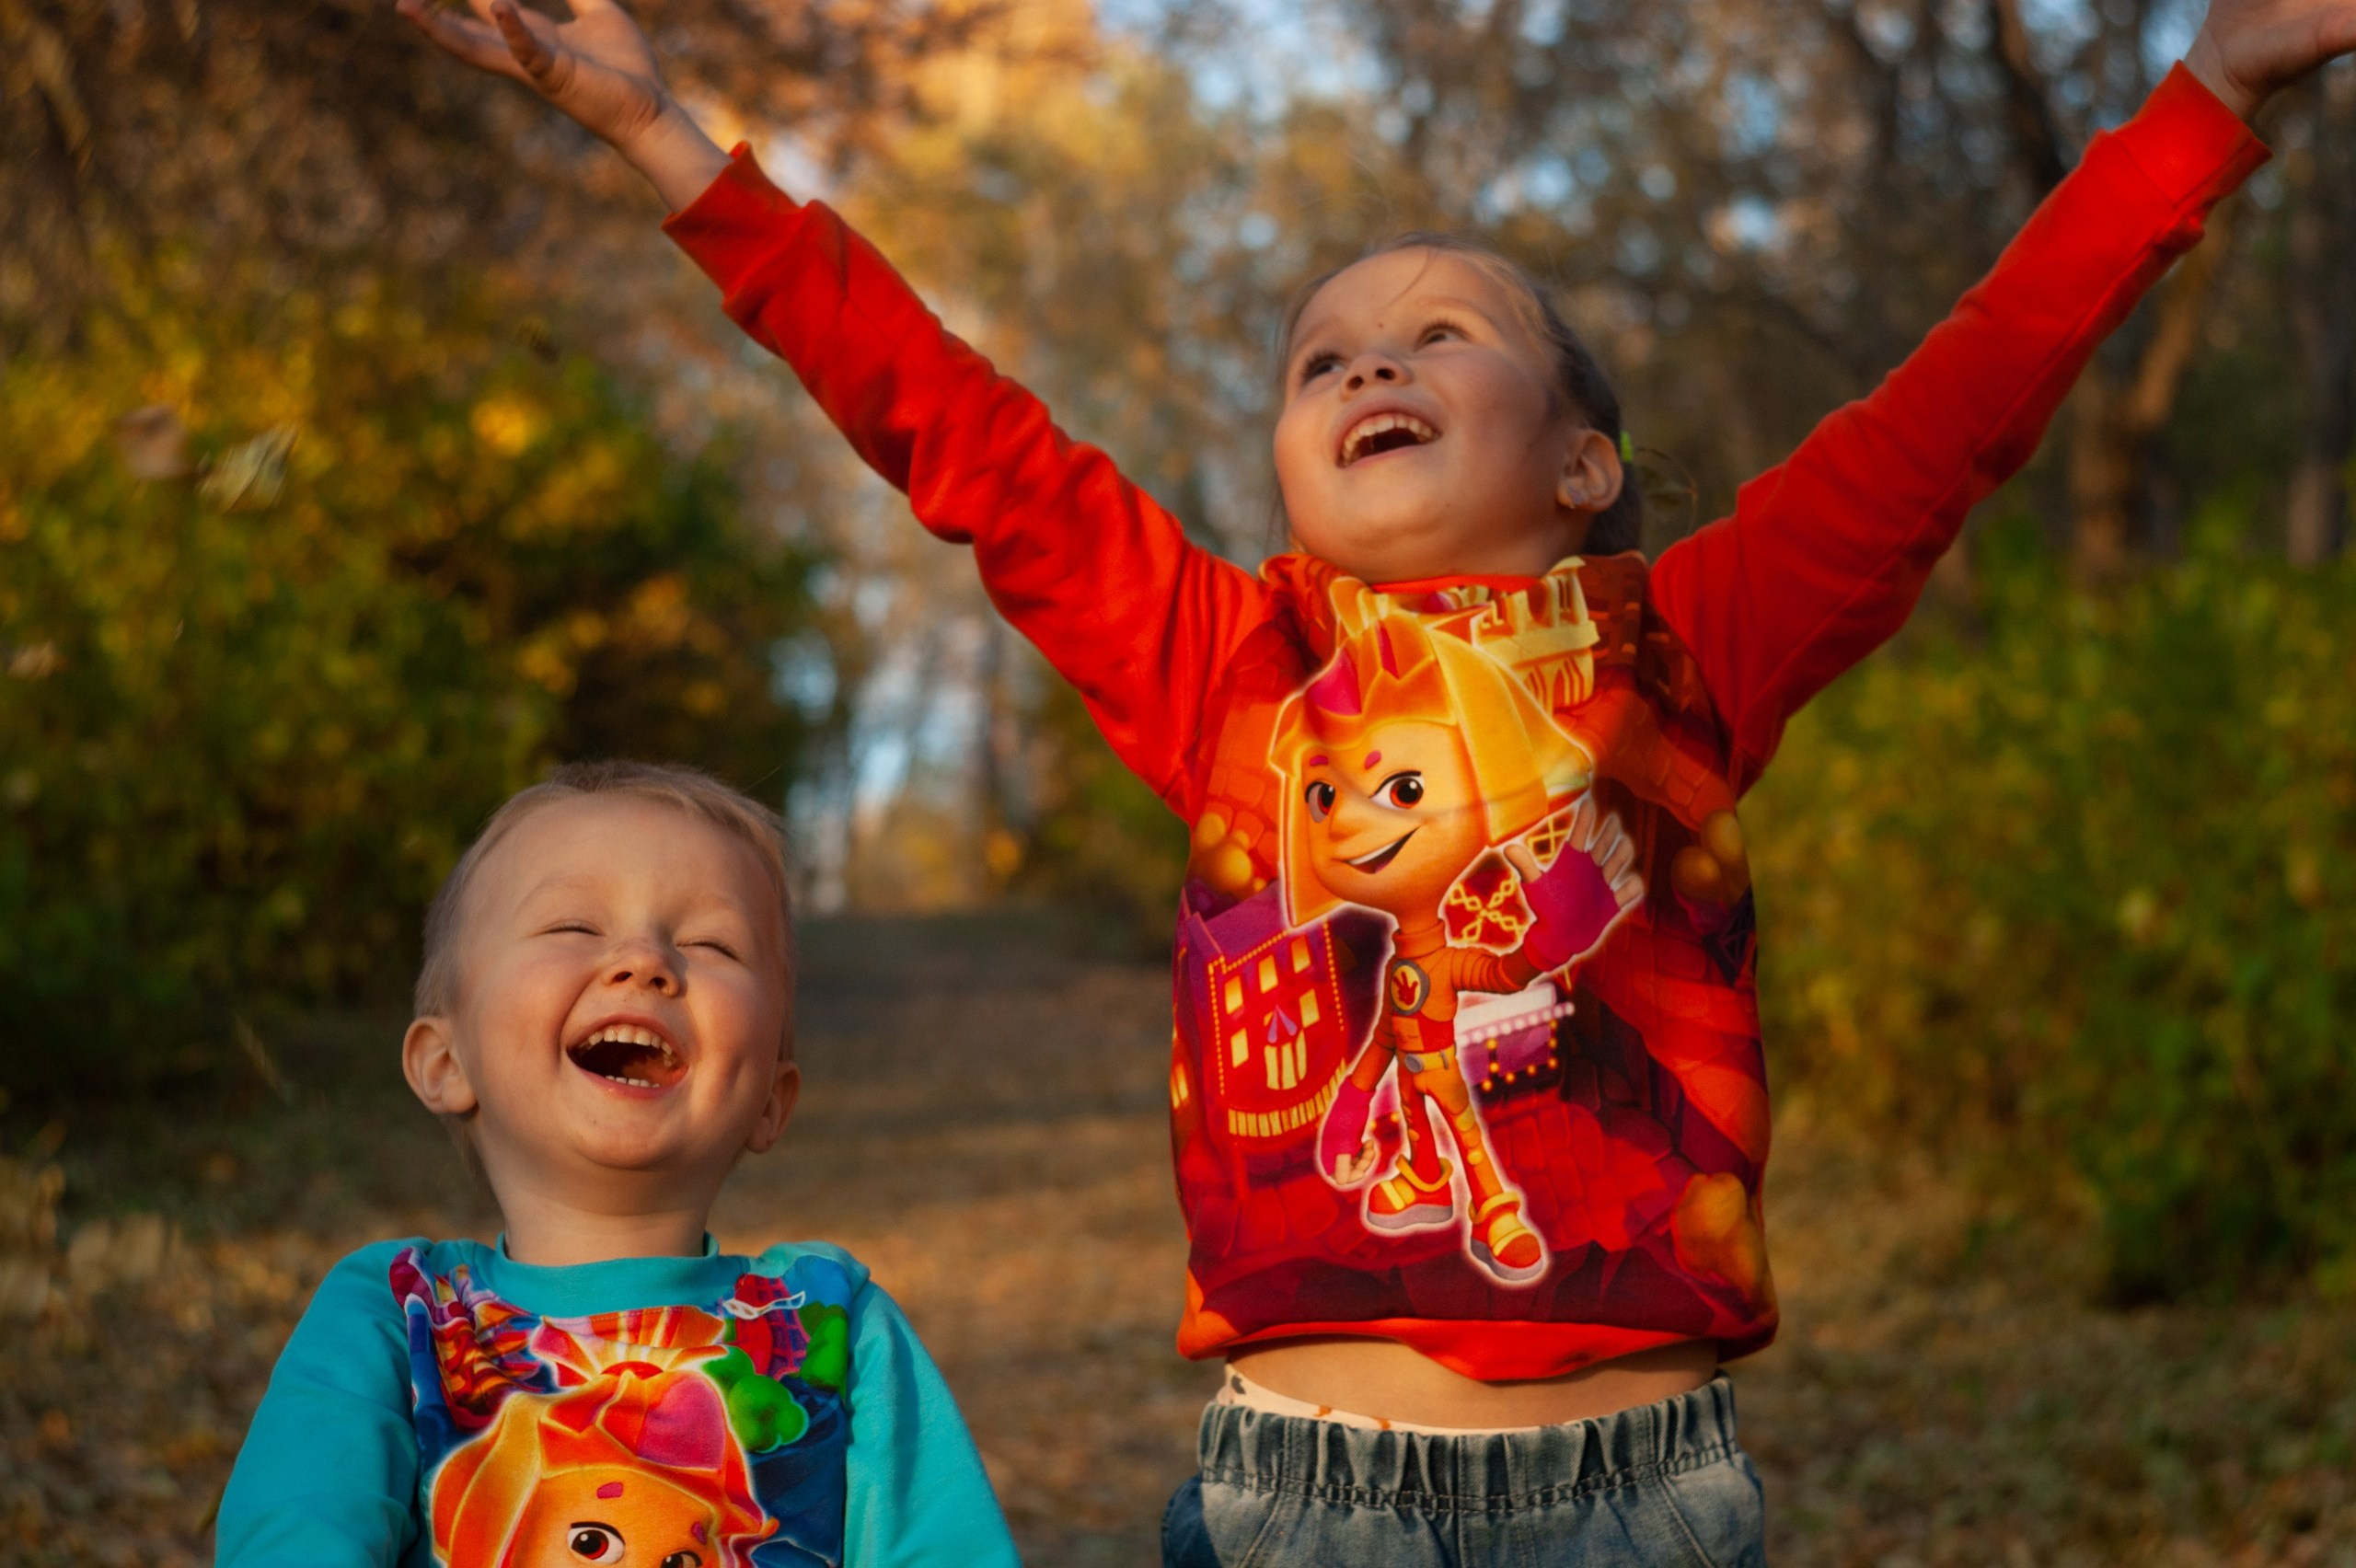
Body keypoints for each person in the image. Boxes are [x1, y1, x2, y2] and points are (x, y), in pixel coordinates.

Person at [398, 3, 2356, 1561]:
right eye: (1317, 355)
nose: (1362, 368)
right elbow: (956, 433)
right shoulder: (1222, 669)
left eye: (1438, 335)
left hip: (1636, 1499)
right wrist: (669, 140)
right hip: (1299, 1500)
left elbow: (1966, 391)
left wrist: (2203, 92)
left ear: (1583, 465)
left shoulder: (1686, 650)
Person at [215, 761, 1019, 1568]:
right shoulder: (397, 1318)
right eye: (573, 927)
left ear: (771, 1100)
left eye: (712, 943)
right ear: (445, 1061)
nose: (646, 961)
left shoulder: (832, 1328)